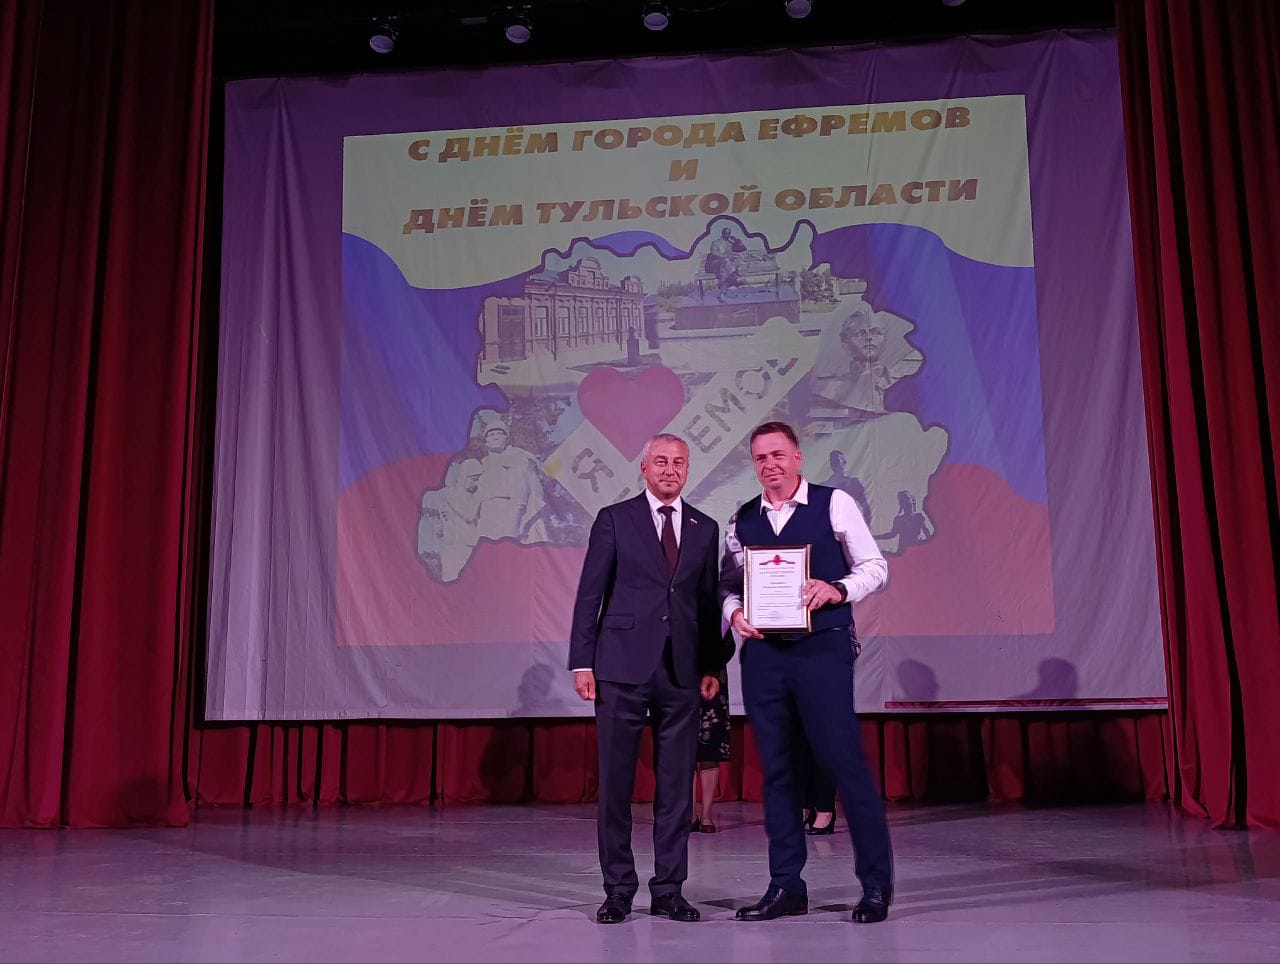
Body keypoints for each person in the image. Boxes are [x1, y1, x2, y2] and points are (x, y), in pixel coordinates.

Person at [720, 421, 894, 924]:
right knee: (777, 770)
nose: (770, 464)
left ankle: (875, 884)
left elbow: (875, 566)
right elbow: (728, 584)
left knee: (844, 762)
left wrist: (837, 589)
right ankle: (786, 886)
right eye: (760, 458)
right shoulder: (741, 519)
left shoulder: (833, 503)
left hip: (823, 649)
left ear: (797, 457)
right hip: (764, 655)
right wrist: (734, 612)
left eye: (778, 454)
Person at [569, 433, 723, 925]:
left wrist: (712, 666)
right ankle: (618, 889)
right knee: (616, 785)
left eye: (679, 462)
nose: (670, 470)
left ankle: (669, 890)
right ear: (644, 468)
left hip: (682, 671)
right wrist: (582, 661)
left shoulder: (704, 527)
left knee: (676, 787)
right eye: (661, 461)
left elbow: (706, 603)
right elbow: (590, 593)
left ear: (688, 468)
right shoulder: (615, 519)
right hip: (620, 668)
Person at [692, 630, 733, 834]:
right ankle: (690, 815)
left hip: (714, 678)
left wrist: (712, 667)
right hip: (681, 674)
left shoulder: (715, 613)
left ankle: (707, 815)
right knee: (684, 749)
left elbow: (728, 644)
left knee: (710, 749)